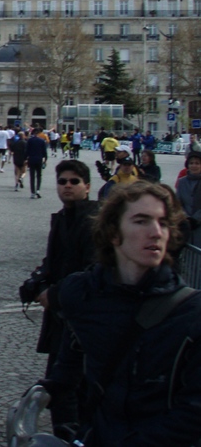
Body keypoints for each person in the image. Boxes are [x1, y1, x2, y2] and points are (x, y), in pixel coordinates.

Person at [41, 181, 201, 447]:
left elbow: (193, 411)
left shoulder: (190, 313)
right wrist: (70, 430)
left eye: (162, 223)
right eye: (142, 221)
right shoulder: (83, 293)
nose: (156, 233)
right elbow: (65, 373)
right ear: (114, 233)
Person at [24, 159, 98, 436]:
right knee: (60, 384)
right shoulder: (63, 217)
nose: (67, 186)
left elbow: (92, 270)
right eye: (62, 181)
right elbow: (55, 262)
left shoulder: (92, 221)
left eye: (74, 182)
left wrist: (54, 293)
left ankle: (71, 437)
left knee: (71, 389)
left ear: (87, 186)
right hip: (61, 319)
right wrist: (39, 281)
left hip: (80, 321)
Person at [176, 150, 201, 246]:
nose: (194, 166)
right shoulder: (182, 182)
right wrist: (186, 218)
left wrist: (196, 219)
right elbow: (178, 202)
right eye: (191, 163)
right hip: (185, 225)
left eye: (197, 163)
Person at [26, 128, 48, 199]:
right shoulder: (41, 141)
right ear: (38, 133)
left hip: (31, 159)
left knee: (32, 176)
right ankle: (38, 190)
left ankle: (32, 192)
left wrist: (25, 159)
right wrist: (45, 160)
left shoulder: (30, 140)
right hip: (39, 159)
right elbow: (44, 152)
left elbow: (27, 150)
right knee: (39, 175)